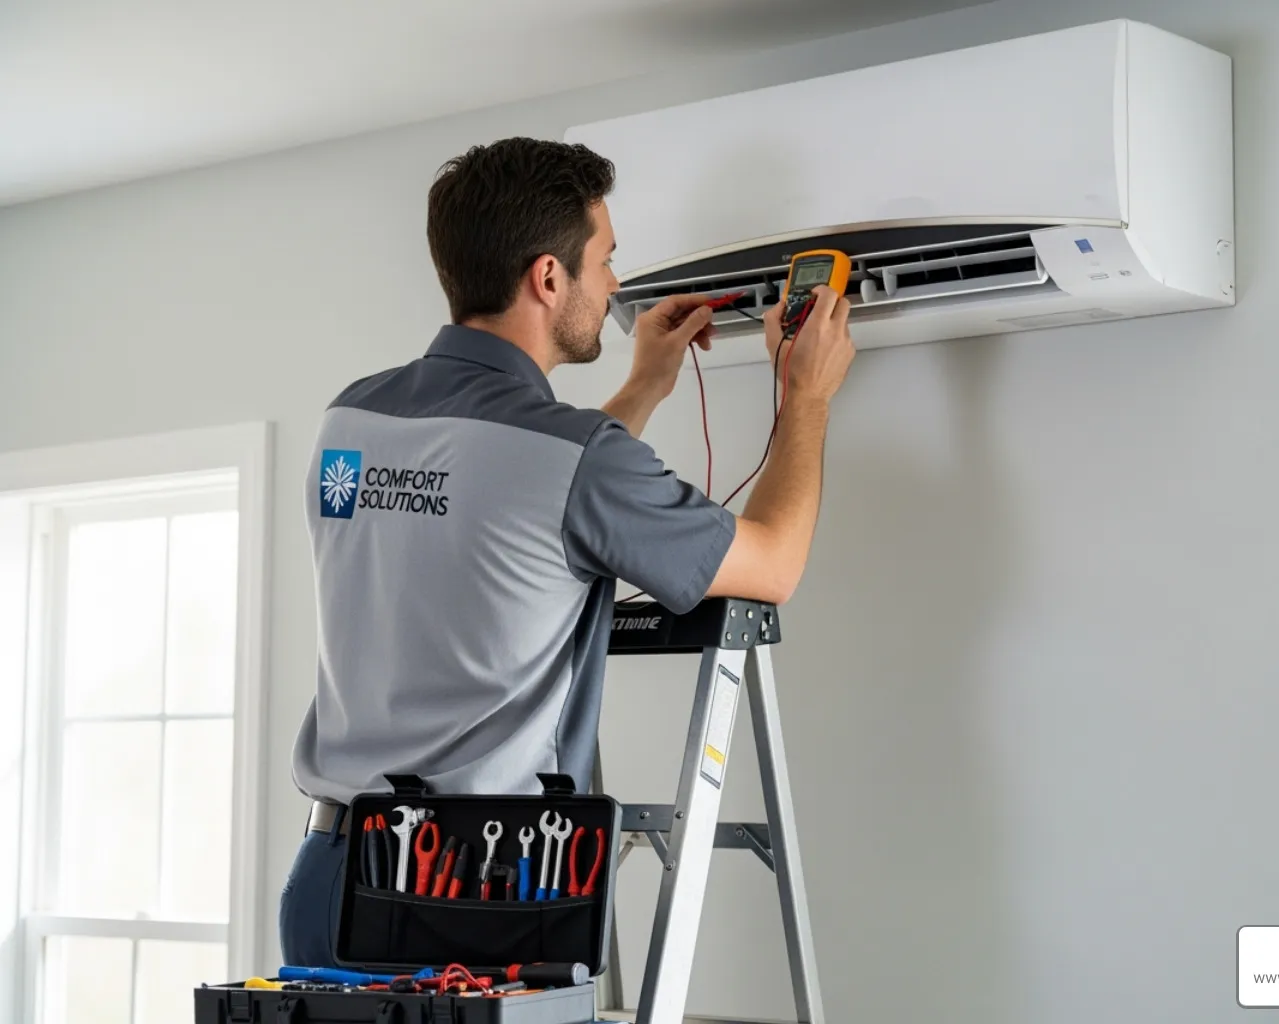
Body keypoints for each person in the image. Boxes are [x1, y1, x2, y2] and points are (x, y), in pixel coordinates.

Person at [277, 136, 855, 966]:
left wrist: (644, 387)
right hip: (472, 893)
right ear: (549, 278)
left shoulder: (350, 422)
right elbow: (773, 564)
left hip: (325, 882)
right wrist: (806, 396)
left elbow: (508, 502)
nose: (614, 285)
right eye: (605, 260)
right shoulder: (573, 456)